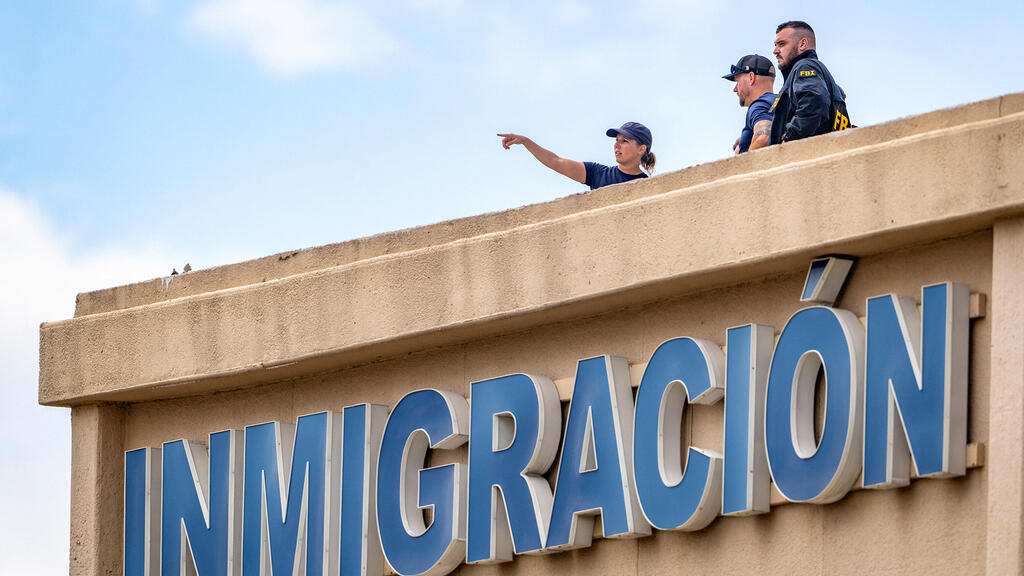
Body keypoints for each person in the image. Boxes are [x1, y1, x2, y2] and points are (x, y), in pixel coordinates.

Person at [498, 122, 655, 190]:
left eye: (625, 141)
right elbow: (555, 161)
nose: (617, 145)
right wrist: (526, 142)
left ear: (641, 149)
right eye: (617, 140)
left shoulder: (649, 186)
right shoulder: (597, 174)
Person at [769, 21, 851, 145]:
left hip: (802, 156)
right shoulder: (825, 81)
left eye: (781, 44)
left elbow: (814, 102)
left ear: (802, 44)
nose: (775, 51)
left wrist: (789, 138)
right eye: (775, 45)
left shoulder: (805, 66)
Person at [722, 54, 777, 154]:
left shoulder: (759, 105)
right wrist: (744, 139)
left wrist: (743, 163)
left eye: (737, 81)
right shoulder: (778, 102)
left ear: (751, 78)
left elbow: (763, 137)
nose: (735, 89)